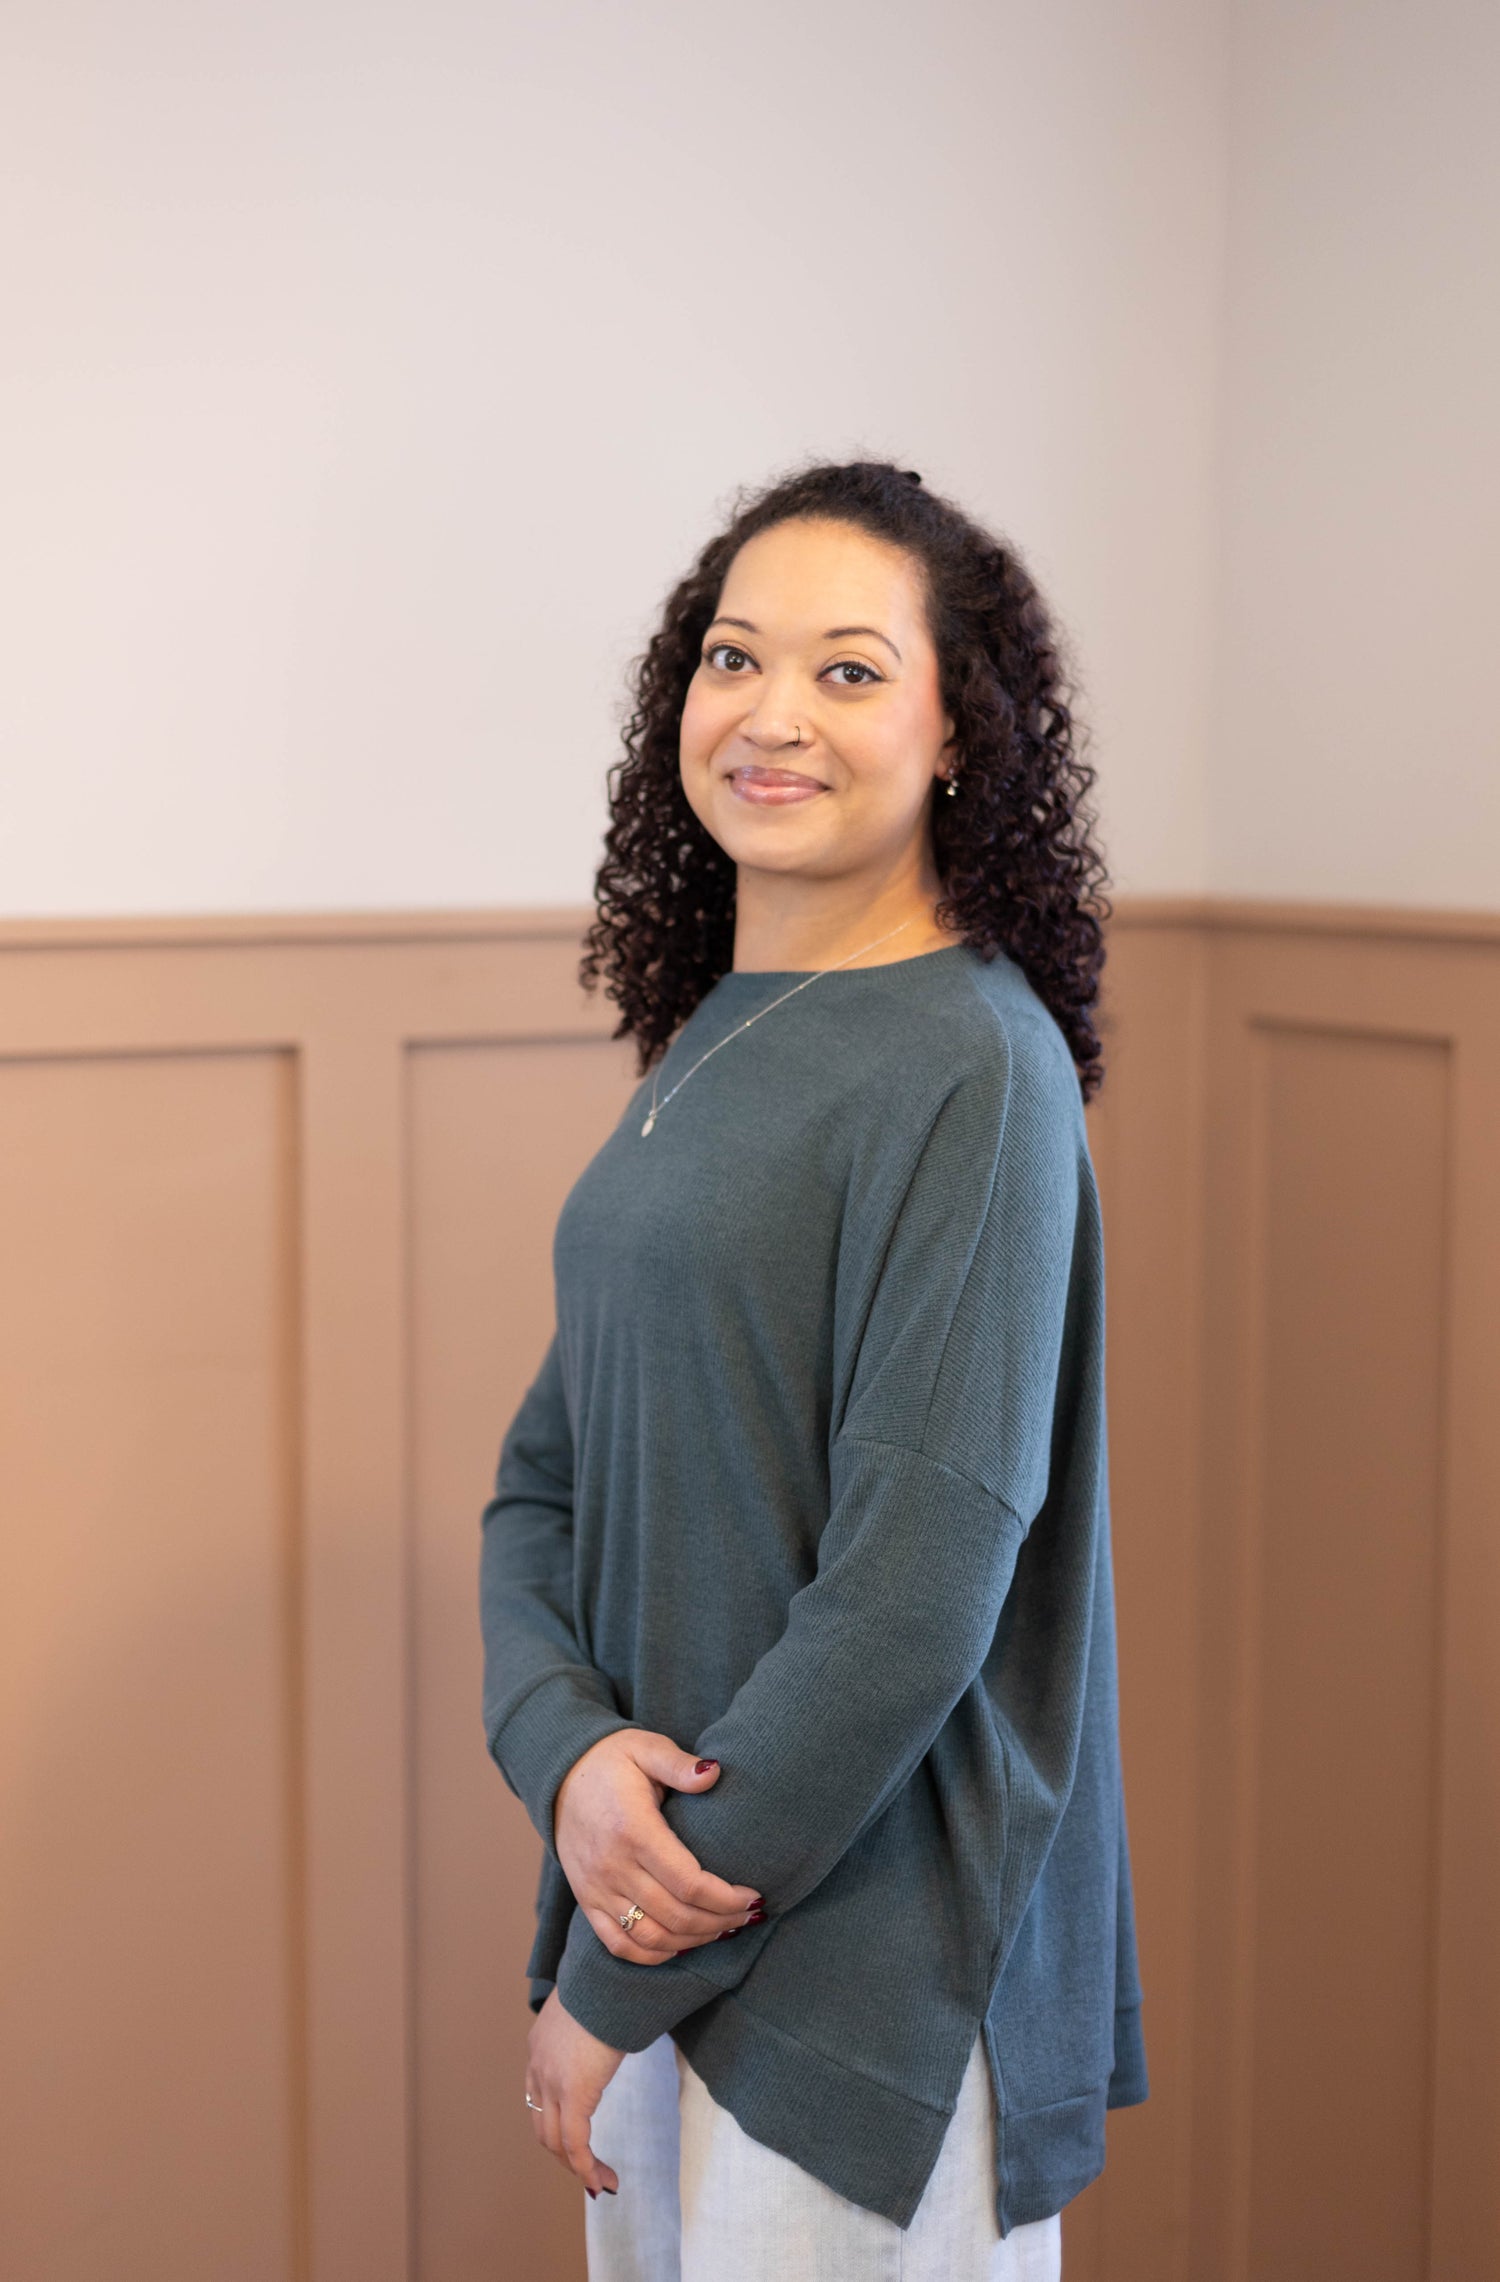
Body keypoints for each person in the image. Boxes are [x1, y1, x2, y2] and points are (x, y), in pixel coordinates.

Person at [478, 457, 1149, 2280]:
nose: (772, 714)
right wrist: (567, 1753)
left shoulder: (977, 1067)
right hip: (663, 1913)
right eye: (733, 657)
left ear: (959, 732)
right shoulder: (717, 1031)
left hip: (871, 1990)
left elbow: (909, 1600)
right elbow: (545, 1477)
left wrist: (617, 1966)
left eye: (850, 668)